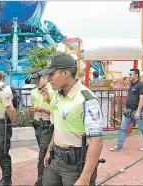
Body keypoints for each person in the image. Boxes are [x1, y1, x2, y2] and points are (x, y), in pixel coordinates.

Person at [39, 53, 103, 186]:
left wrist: (85, 178)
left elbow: (96, 141)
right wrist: (50, 149)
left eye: (52, 74)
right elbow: (58, 126)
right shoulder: (58, 96)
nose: (48, 78)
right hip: (55, 160)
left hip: (75, 165)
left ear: (66, 73)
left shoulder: (87, 100)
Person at [110, 69, 143, 151]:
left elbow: (142, 99)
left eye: (131, 74)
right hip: (128, 111)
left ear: (136, 75)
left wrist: (138, 112)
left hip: (137, 111)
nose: (129, 76)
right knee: (123, 128)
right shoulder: (130, 84)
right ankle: (119, 145)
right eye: (129, 74)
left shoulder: (141, 85)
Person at [27, 68, 55, 186]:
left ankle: (41, 181)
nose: (37, 83)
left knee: (42, 155)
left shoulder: (53, 91)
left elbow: (55, 111)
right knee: (45, 153)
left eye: (38, 80)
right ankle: (50, 177)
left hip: (48, 126)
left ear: (44, 77)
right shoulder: (34, 91)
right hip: (37, 126)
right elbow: (32, 106)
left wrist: (41, 109)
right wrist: (30, 110)